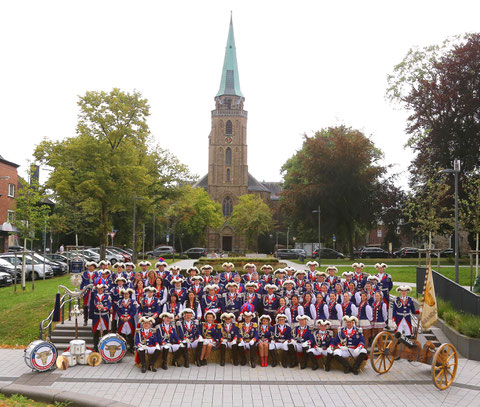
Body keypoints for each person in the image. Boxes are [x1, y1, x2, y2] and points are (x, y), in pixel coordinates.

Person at [90, 280, 112, 352]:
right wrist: (97, 306)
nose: (100, 290)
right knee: (95, 332)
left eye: (101, 288)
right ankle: (95, 346)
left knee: (105, 331)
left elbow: (109, 304)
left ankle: (105, 346)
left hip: (104, 316)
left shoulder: (107, 296)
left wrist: (104, 308)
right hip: (96, 316)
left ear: (103, 289)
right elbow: (92, 305)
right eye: (98, 289)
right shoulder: (94, 296)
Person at [116, 288, 138, 353]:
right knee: (122, 334)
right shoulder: (119, 302)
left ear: (129, 295)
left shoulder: (133, 302)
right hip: (122, 321)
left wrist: (128, 317)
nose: (126, 295)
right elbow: (118, 311)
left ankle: (131, 348)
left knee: (130, 334)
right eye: (125, 294)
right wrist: (122, 317)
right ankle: (123, 349)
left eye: (127, 294)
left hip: (129, 320)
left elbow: (134, 311)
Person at [375, 263, 393, 327]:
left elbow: (390, 285)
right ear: (377, 269)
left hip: (385, 294)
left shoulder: (388, 276)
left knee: (386, 307)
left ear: (384, 268)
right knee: (378, 306)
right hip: (378, 294)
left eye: (382, 268)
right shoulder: (375, 276)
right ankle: (378, 320)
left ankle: (386, 323)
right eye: (379, 268)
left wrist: (386, 290)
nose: (380, 269)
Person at [81, 261, 98, 326]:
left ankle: (94, 319)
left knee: (94, 305)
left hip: (94, 291)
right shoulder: (84, 273)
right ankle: (85, 319)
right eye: (89, 266)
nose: (91, 267)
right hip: (86, 292)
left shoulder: (96, 274)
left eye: (92, 266)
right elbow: (82, 283)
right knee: (85, 305)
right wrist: (81, 291)